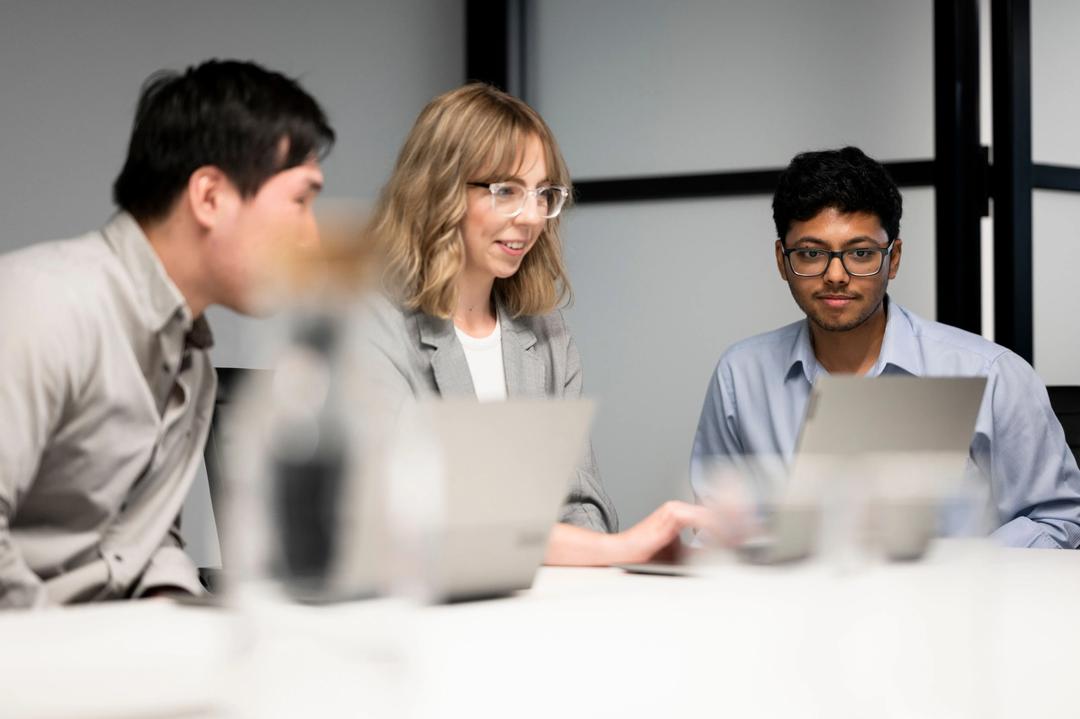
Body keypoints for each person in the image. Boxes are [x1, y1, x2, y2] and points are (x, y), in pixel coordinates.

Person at [0, 60, 334, 608]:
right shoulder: (43, 308)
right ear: (209, 197)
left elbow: (145, 541)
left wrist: (181, 617)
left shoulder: (190, 358)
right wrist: (78, 654)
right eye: (300, 201)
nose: (311, 238)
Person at [364, 83, 717, 566]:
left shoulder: (547, 335)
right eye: (506, 191)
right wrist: (618, 549)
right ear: (438, 189)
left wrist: (604, 560)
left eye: (543, 194)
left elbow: (581, 502)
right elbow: (418, 523)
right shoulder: (374, 330)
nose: (531, 217)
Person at [691, 146, 1080, 548]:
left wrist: (956, 569)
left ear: (893, 259)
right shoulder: (741, 374)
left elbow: (1058, 519)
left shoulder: (990, 372)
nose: (836, 275)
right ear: (782, 259)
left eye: (861, 254)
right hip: (788, 604)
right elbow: (714, 532)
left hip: (953, 603)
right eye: (811, 253)